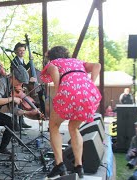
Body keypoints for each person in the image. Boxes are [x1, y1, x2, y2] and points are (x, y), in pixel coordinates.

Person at [40, 46, 102, 179]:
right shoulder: (77, 62)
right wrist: (91, 83)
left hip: (68, 93)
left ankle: (59, 165)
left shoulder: (53, 63)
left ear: (51, 57)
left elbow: (54, 71)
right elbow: (97, 65)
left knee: (54, 126)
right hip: (87, 94)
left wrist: (58, 91)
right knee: (74, 128)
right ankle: (79, 166)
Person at [11, 42, 37, 129]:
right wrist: (29, 80)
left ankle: (21, 122)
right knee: (15, 104)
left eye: (23, 50)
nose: (22, 52)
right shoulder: (14, 61)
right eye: (20, 51)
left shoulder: (21, 60)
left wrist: (30, 62)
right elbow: (19, 75)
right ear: (15, 51)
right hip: (15, 85)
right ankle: (15, 124)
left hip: (20, 86)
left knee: (20, 104)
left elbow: (24, 69)